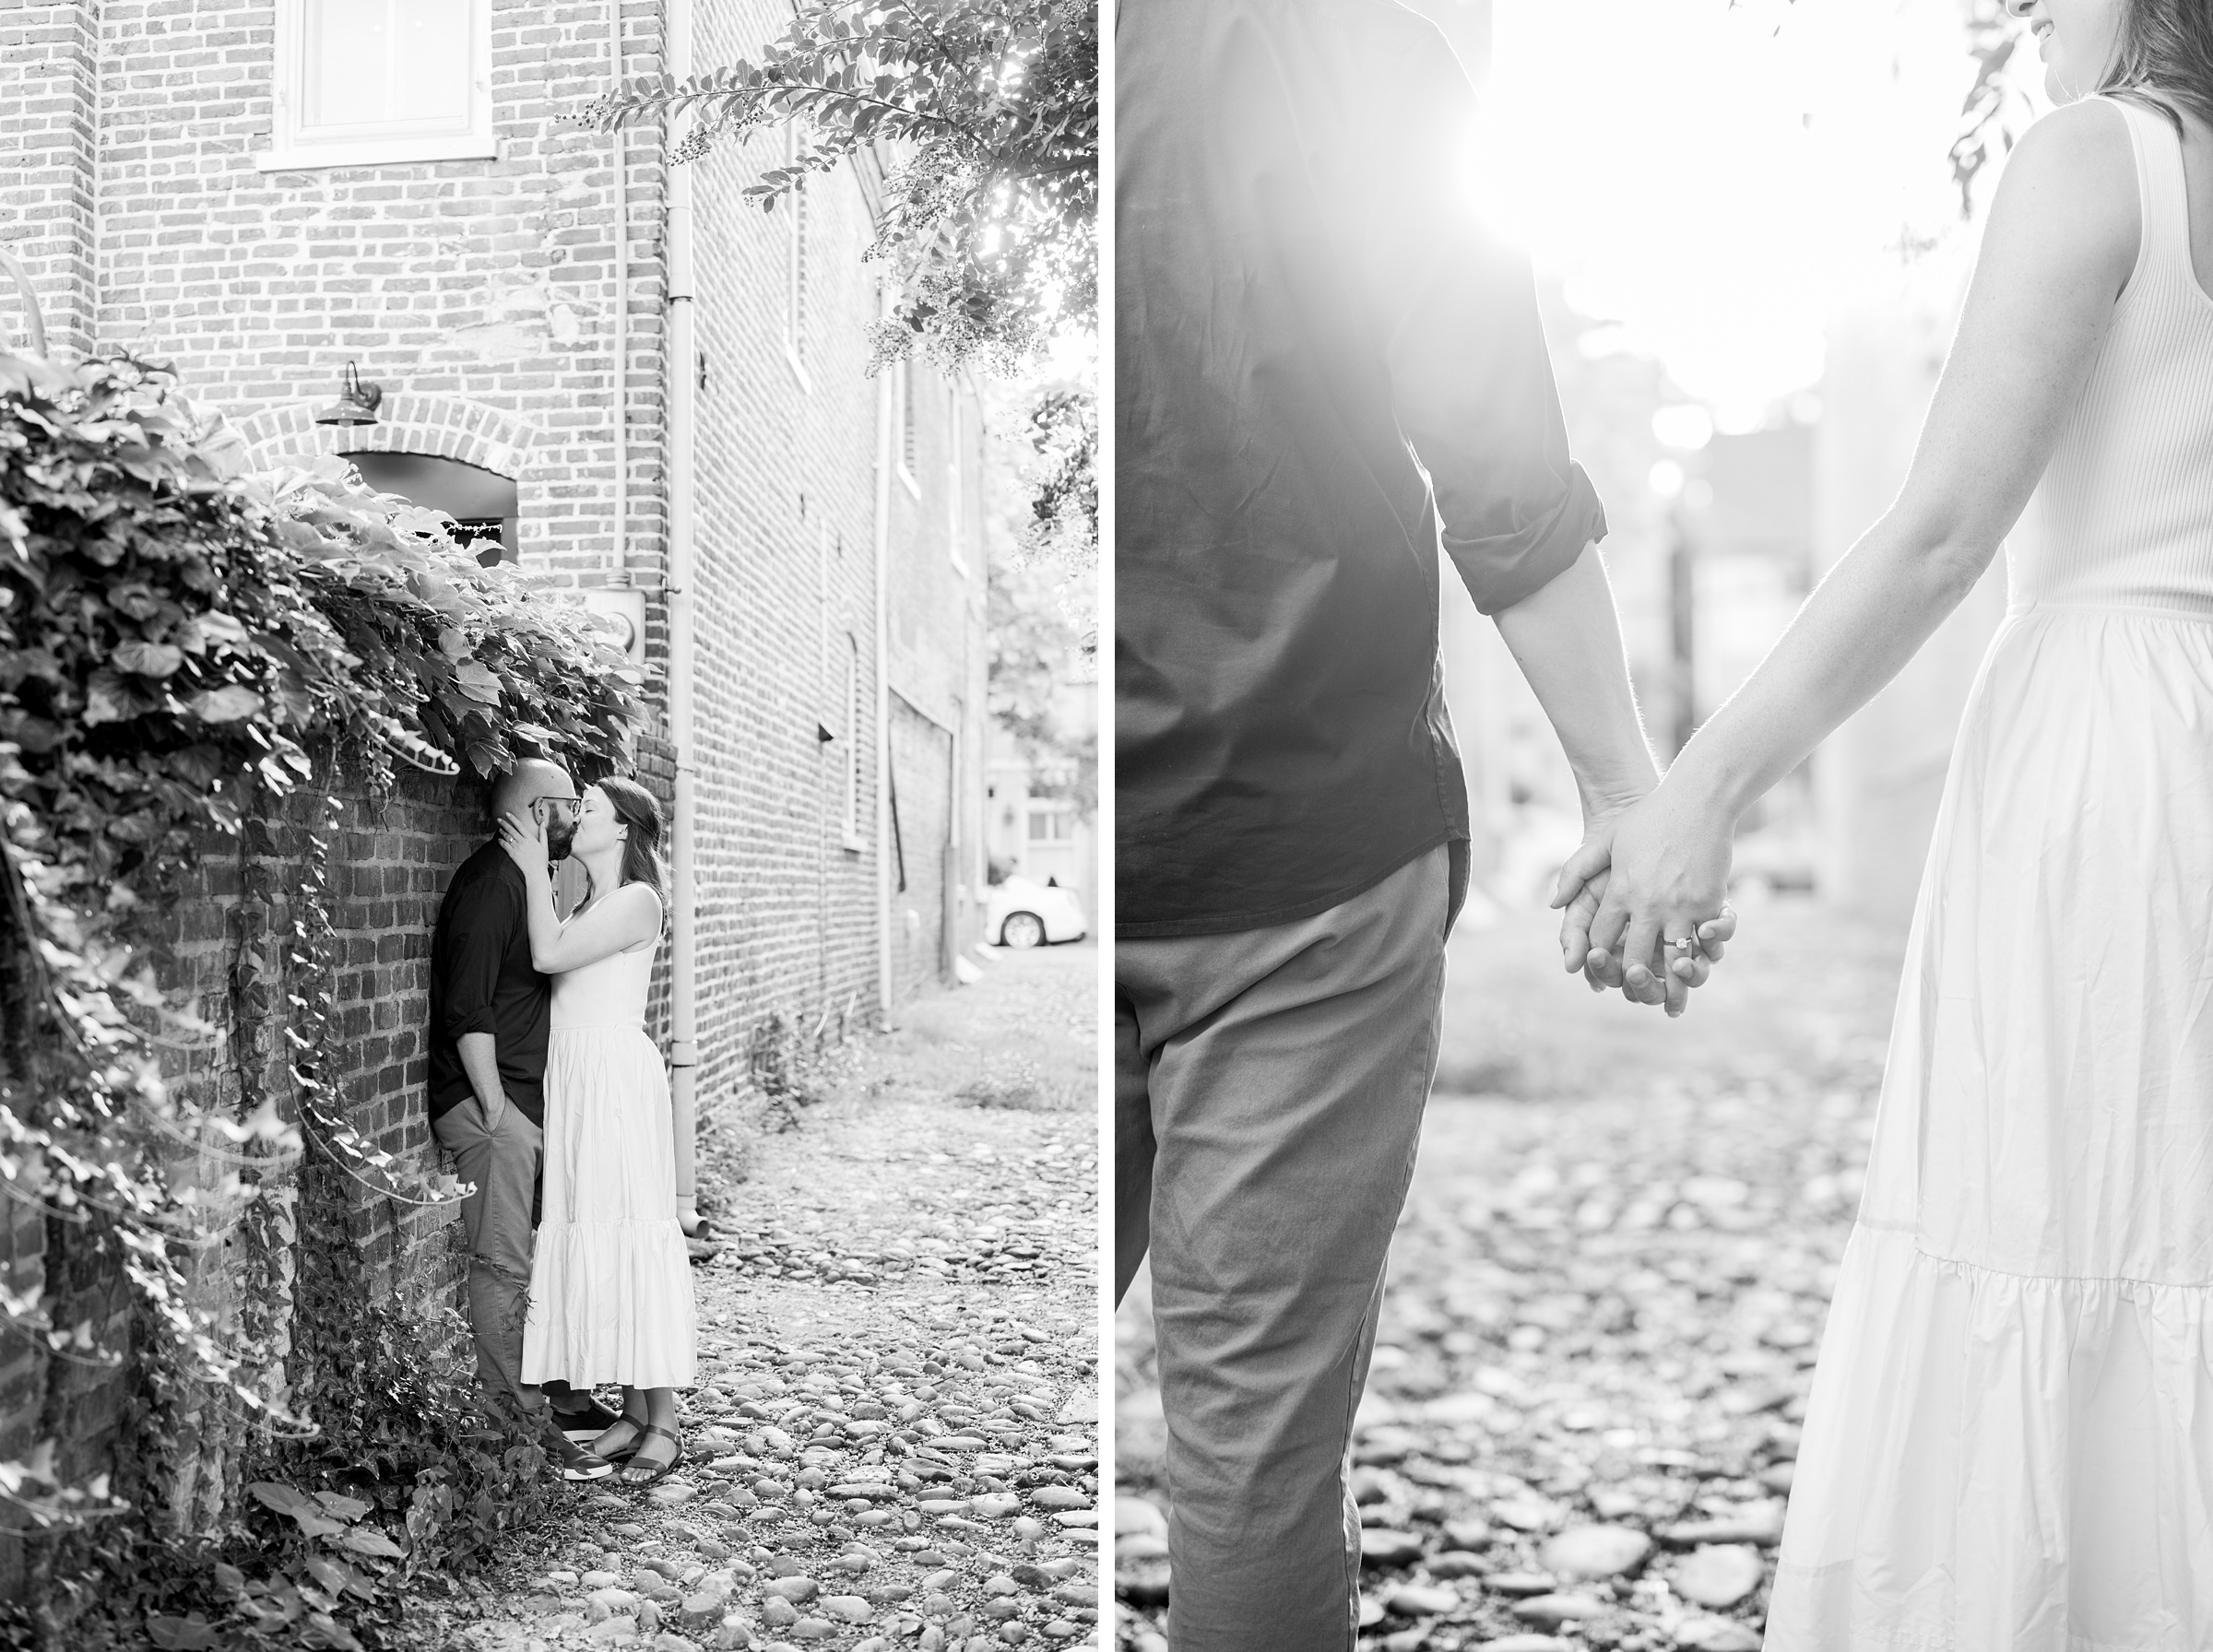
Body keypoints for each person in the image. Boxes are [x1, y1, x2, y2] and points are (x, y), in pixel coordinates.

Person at [1553, 1, 2213, 1642]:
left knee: (2064, 1215)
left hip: (2114, 764)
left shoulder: (2102, 161)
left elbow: (1936, 537)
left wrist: (1696, 795)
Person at [1114, 2, 1733, 1644]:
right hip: (1309, 847)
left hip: (1128, 841)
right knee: (1246, 1456)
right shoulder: (1358, 52)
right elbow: (1505, 477)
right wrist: (1622, 785)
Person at [500, 776, 696, 1487]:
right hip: (578, 1076)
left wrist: (529, 867)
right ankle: (632, 1414)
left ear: (621, 831)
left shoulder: (638, 901)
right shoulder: (591, 899)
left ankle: (664, 1421)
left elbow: (549, 956)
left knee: (629, 1229)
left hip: (611, 1078)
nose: (576, 817)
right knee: (597, 1227)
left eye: (589, 810)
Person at [427, 757, 618, 1479]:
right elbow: (467, 1015)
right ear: (542, 814)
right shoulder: (489, 888)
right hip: (491, 1111)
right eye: (570, 804)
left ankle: (541, 1409)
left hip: (518, 1110)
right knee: (501, 1266)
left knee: (530, 1265)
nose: (575, 817)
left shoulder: (524, 882)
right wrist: (499, 1111)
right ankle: (516, 1438)